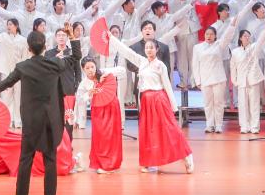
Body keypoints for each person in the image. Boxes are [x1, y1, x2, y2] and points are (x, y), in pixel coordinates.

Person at [0, 30, 67, 195]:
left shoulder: (22, 67)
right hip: (50, 120)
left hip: (30, 120)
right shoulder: (55, 64)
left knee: (26, 159)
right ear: (45, 47)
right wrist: (73, 39)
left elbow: (6, 83)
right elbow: (76, 57)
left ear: (28, 48)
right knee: (50, 160)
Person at [107, 33, 194, 174]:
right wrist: (111, 38)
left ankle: (187, 156)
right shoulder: (141, 61)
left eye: (151, 47)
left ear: (157, 49)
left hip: (159, 99)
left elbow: (167, 85)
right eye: (147, 47)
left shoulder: (160, 65)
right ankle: (148, 162)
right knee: (148, 132)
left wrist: (173, 106)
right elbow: (126, 51)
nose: (149, 50)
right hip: (146, 101)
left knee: (169, 130)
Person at [75, 57, 124, 173]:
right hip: (98, 111)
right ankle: (101, 163)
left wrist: (106, 73)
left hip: (112, 107)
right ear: (83, 69)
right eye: (87, 68)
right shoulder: (84, 83)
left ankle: (111, 164)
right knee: (101, 137)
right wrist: (89, 93)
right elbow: (80, 100)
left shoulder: (103, 73)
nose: (90, 70)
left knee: (112, 136)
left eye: (92, 67)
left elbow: (122, 70)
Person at [230, 20, 265, 134]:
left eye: (248, 36)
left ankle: (255, 127)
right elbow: (233, 68)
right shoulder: (235, 52)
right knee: (243, 105)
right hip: (241, 82)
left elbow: (261, 41)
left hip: (253, 80)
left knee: (254, 104)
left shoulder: (254, 47)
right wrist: (235, 81)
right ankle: (244, 126)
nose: (247, 37)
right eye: (245, 36)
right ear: (240, 38)